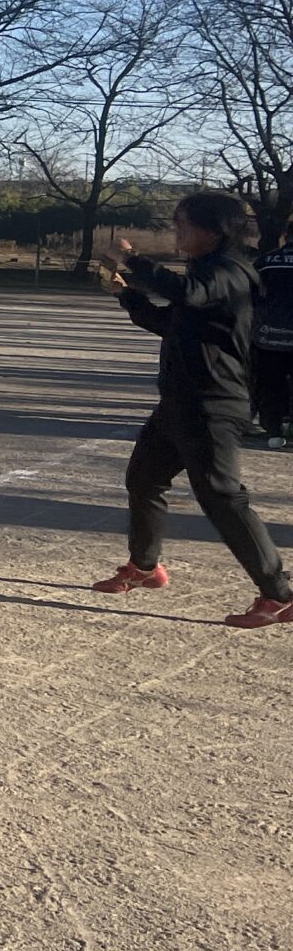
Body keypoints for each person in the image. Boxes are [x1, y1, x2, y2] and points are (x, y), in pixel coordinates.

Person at [93, 193, 293, 628]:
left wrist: (133, 258)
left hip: (211, 403)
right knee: (144, 479)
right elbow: (171, 323)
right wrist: (127, 296)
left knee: (223, 497)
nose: (177, 231)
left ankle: (279, 595)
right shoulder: (208, 272)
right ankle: (145, 567)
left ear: (214, 230)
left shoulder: (229, 270)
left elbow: (186, 293)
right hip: (179, 401)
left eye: (183, 224)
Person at [252, 219, 293, 447]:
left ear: (286, 236)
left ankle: (274, 429)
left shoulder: (266, 261)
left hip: (269, 336)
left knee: (270, 384)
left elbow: (250, 293)